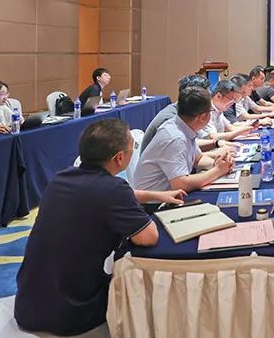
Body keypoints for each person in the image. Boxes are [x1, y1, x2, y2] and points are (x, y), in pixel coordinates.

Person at [14, 118, 185, 336]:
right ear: (119, 158)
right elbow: (148, 237)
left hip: (29, 305)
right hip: (73, 313)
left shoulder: (61, 178)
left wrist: (157, 195)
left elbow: (109, 195)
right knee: (142, 296)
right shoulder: (114, 189)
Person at [132, 86, 234, 192]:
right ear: (203, 116)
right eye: (211, 111)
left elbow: (197, 159)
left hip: (168, 195)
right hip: (155, 200)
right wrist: (218, 170)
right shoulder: (175, 138)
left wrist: (218, 164)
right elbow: (181, 184)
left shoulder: (183, 126)